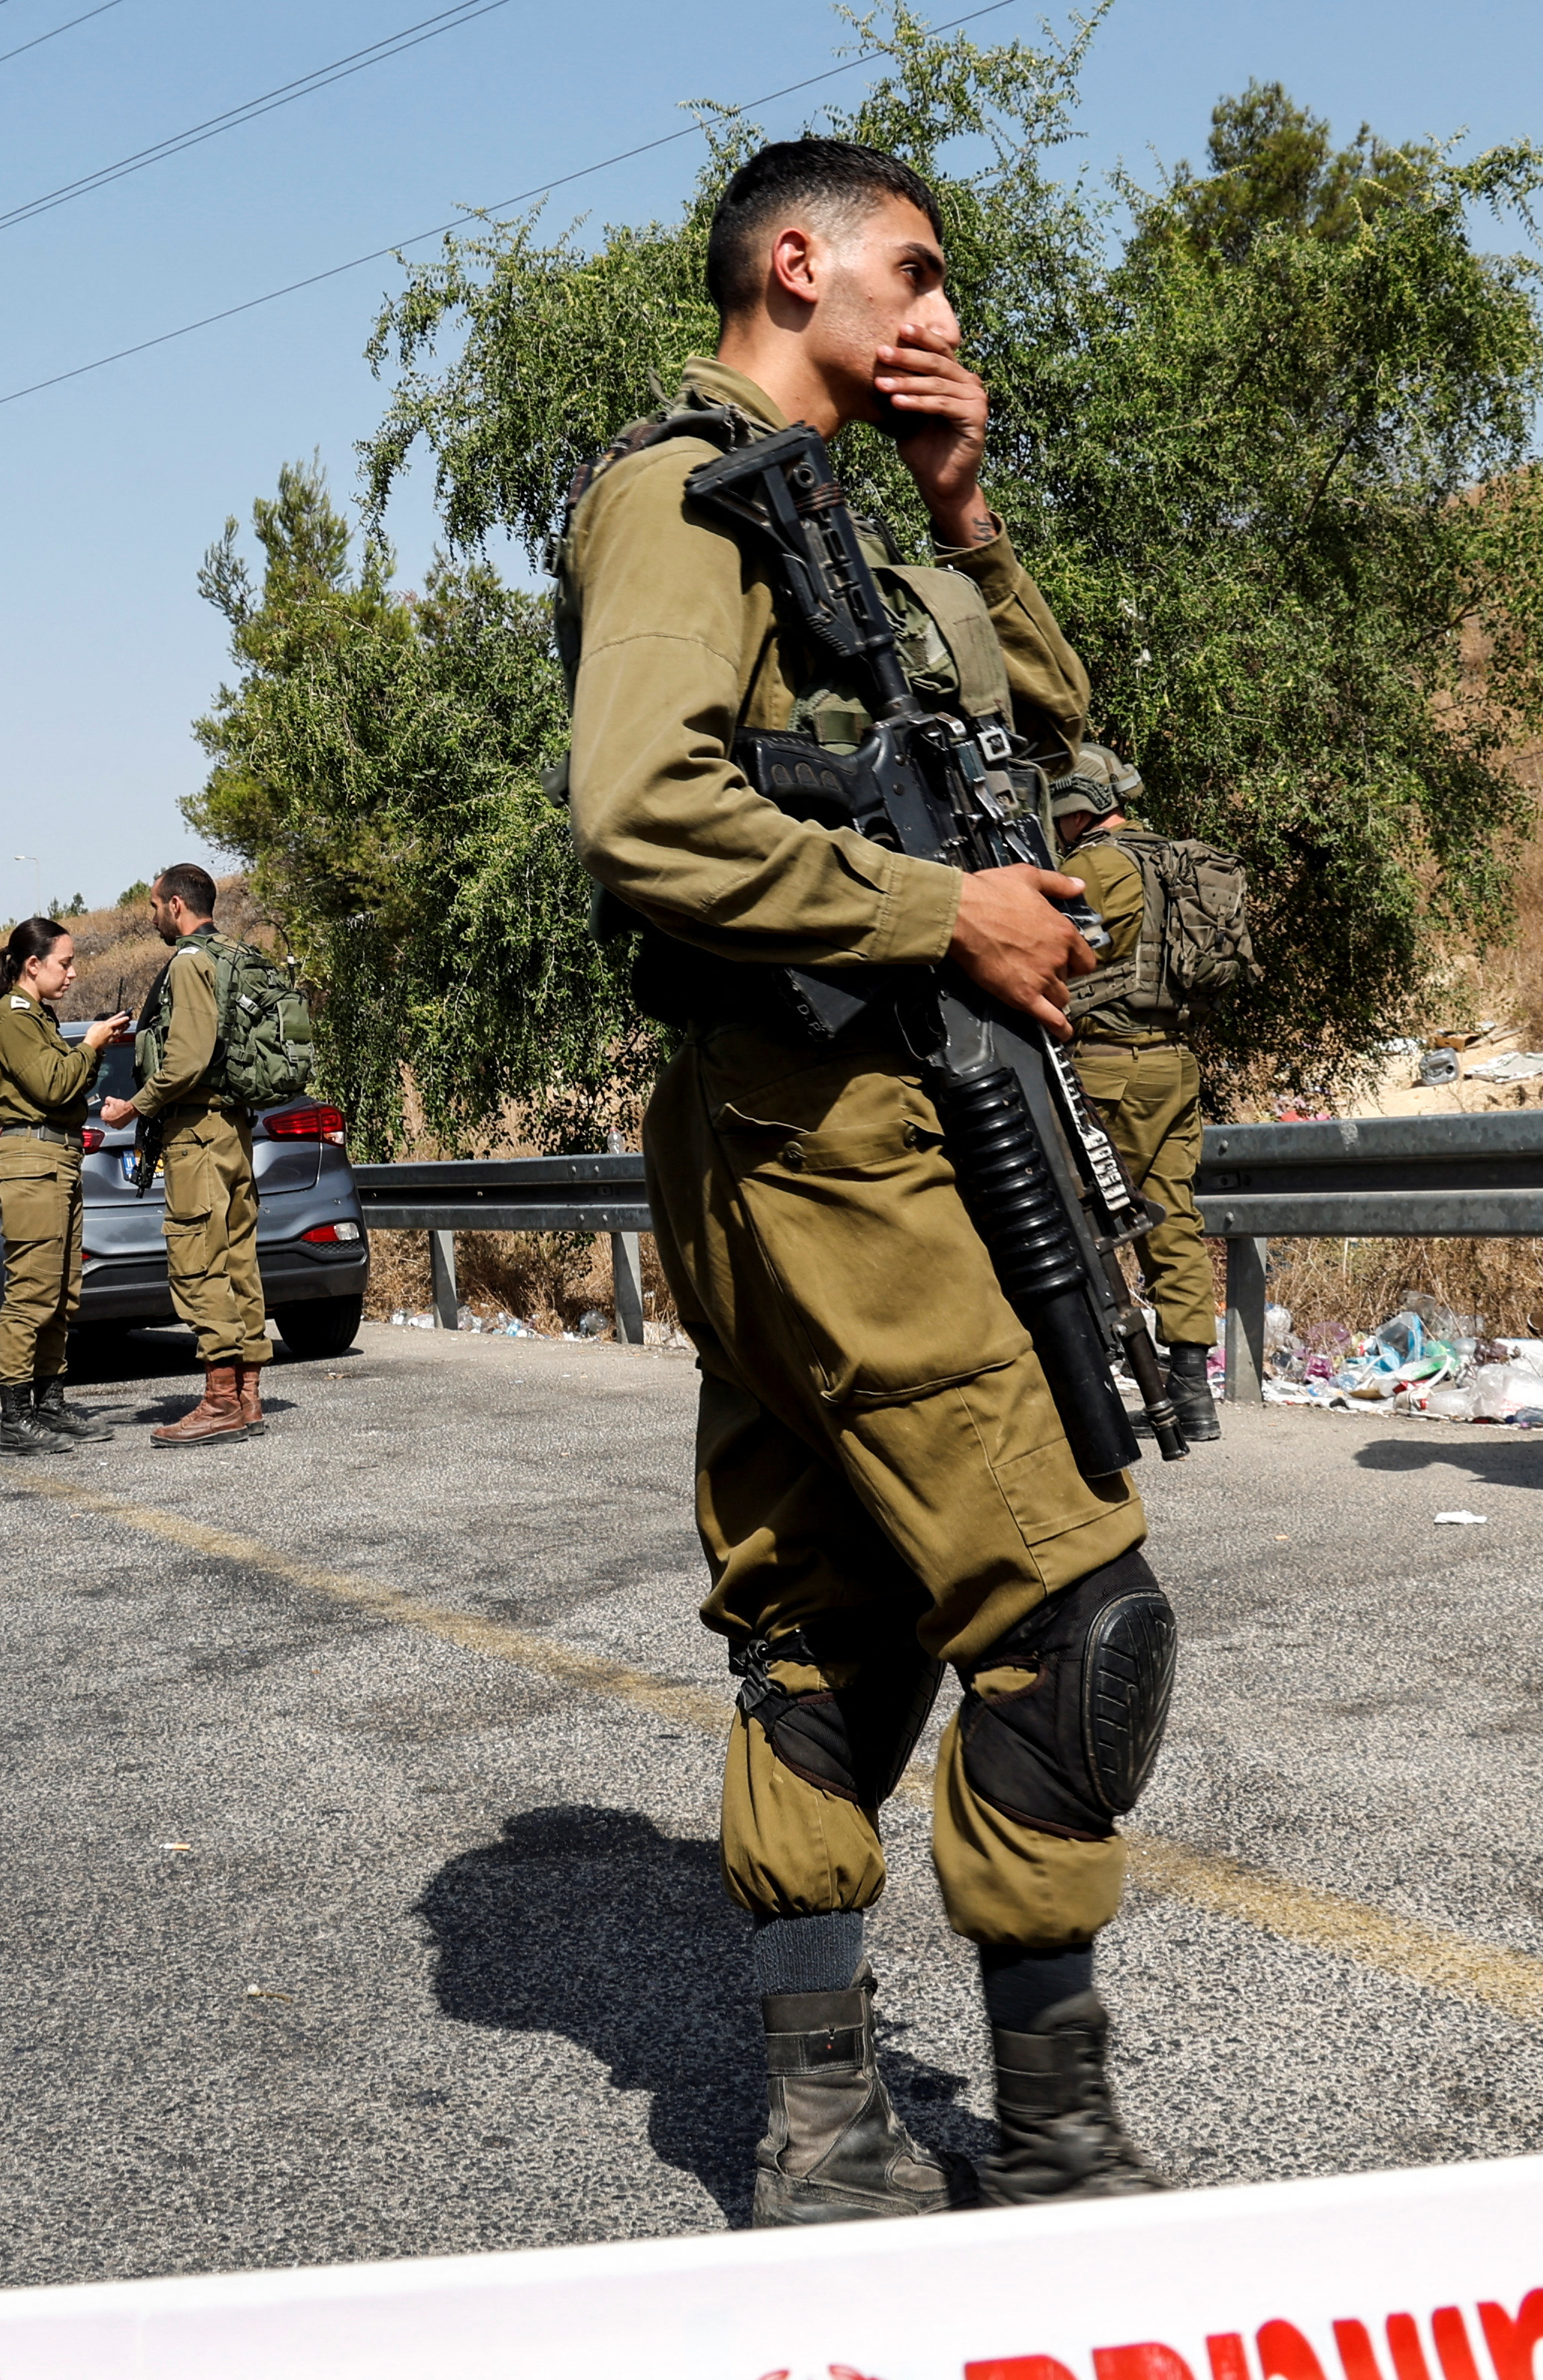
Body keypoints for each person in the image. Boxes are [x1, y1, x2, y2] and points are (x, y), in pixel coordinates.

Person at [563, 136, 1171, 2223]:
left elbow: (1058, 741)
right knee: (1079, 1607)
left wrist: (965, 514)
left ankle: (827, 2133)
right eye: (910, 279)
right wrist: (941, 921)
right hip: (826, 1125)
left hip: (891, 1114)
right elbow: (639, 811)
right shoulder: (683, 490)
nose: (939, 319)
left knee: (839, 1614)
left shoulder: (849, 515)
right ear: (792, 263)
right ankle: (1059, 2149)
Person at [1045, 747, 1223, 1447]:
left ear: (1079, 806)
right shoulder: (1175, 861)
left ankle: (1084, 1378)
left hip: (1104, 1067)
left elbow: (1053, 954)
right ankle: (1191, 1390)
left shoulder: (1090, 868)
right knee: (1173, 1217)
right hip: (1175, 1066)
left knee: (1074, 1219)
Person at [121, 865, 271, 1447]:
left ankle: (220, 1401)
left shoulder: (188, 962)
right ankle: (249, 1394)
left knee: (197, 1260)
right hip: (233, 1128)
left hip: (197, 1132)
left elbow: (184, 1060)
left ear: (177, 905)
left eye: (155, 905)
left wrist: (133, 1107)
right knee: (238, 1257)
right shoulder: (235, 954)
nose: (152, 915)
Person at [0, 918, 132, 1453]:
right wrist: (89, 1045)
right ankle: (16, 1417)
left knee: (62, 1292)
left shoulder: (38, 1016)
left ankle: (50, 1403)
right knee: (32, 1292)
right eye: (64, 963)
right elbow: (53, 1082)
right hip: (32, 1161)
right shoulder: (11, 1017)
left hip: (57, 1157)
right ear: (32, 965)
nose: (72, 972)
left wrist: (90, 1050)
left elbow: (65, 1087)